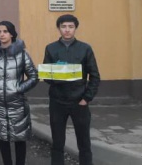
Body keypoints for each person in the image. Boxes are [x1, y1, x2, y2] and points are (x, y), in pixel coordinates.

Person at [43, 14, 100, 165]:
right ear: (59, 28)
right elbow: (46, 77)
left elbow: (95, 76)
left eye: (70, 27)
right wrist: (59, 75)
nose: (67, 30)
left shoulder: (85, 49)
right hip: (57, 102)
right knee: (57, 142)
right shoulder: (51, 48)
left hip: (79, 102)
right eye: (63, 27)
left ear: (75, 28)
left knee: (84, 142)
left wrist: (86, 98)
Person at [0, 21, 38, 165]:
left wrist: (19, 88)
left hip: (17, 103)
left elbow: (34, 76)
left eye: (5, 31)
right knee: (2, 138)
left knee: (19, 138)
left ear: (12, 34)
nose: (1, 34)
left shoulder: (22, 54)